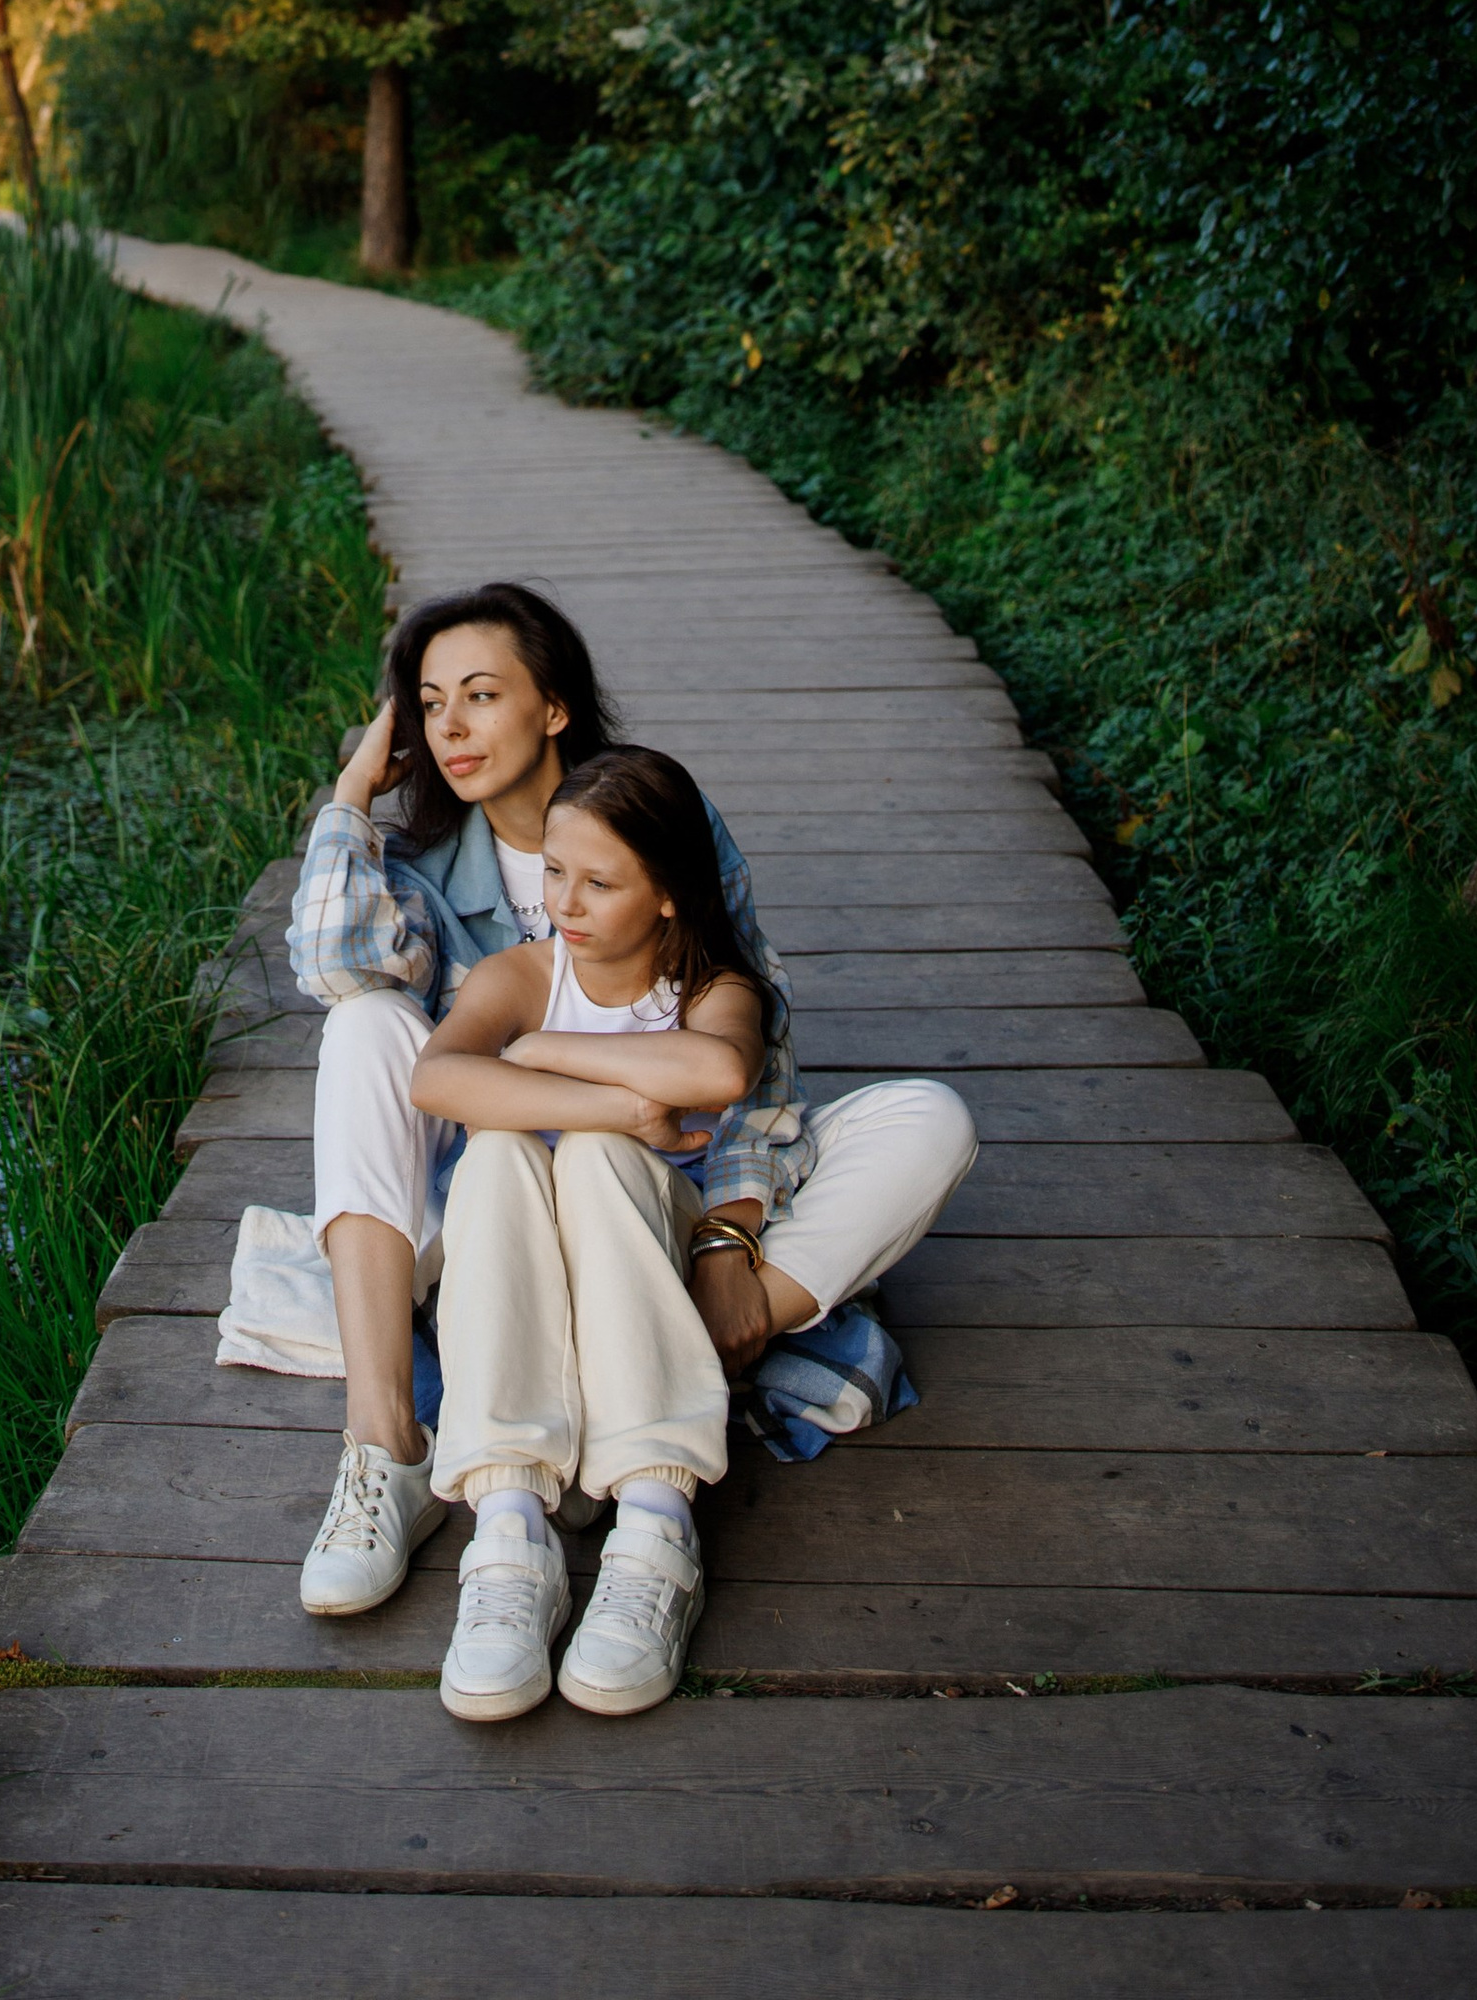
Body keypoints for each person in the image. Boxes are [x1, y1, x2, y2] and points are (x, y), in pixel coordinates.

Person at [286, 585, 978, 1716]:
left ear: (554, 707)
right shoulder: (422, 867)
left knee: (927, 1121)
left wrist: (727, 1231)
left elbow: (750, 1071)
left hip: (674, 1192)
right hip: (493, 1205)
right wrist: (355, 790)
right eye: (426, 706)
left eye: (480, 696)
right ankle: (397, 1455)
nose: (449, 728)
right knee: (366, 1023)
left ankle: (672, 1432)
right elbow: (332, 968)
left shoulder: (663, 821)